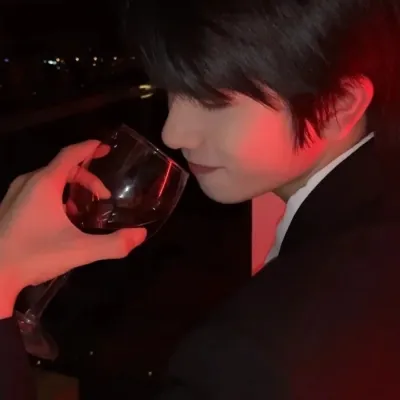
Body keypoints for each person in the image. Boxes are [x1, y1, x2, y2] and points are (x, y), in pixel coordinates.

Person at [2, 0, 400, 398]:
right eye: (172, 88)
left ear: (338, 106)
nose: (172, 133)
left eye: (214, 101)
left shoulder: (253, 356)